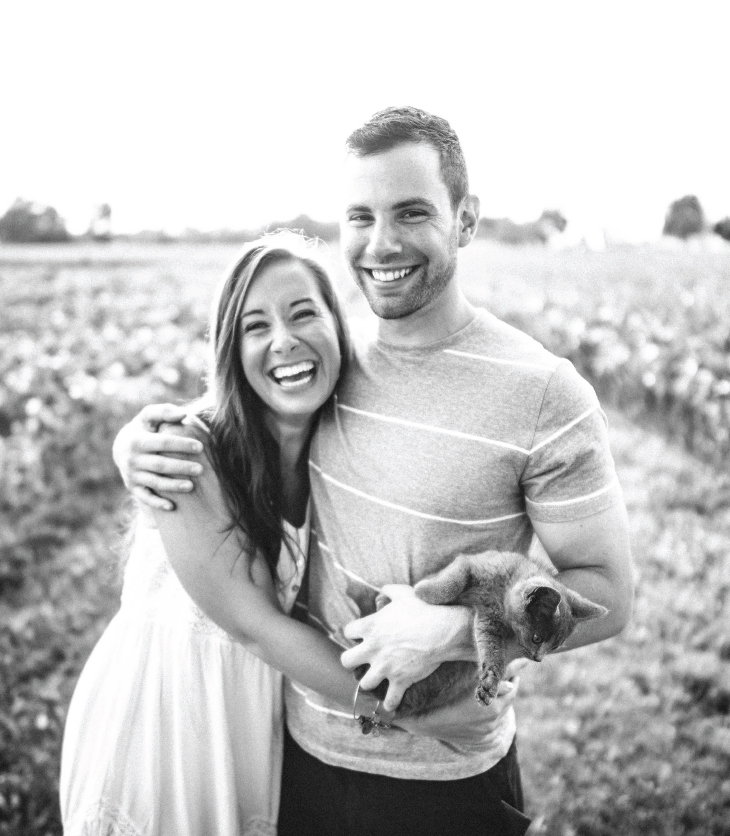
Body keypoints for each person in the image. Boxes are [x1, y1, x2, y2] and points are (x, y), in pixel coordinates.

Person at [114, 107, 634, 836]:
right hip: (300, 756)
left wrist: (455, 632)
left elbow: (609, 594)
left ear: (466, 220)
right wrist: (135, 440)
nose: (381, 242)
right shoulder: (332, 362)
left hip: (449, 776)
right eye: (360, 215)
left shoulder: (545, 392)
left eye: (412, 211)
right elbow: (228, 418)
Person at [62, 231, 454, 836]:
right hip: (165, 725)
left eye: (304, 314)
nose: (284, 341)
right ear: (230, 348)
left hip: (253, 726)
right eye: (255, 326)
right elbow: (256, 627)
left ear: (336, 326)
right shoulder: (189, 451)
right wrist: (419, 715)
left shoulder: (338, 450)